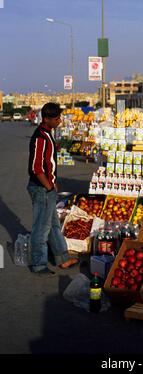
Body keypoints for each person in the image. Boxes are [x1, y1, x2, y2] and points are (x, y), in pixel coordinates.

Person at [27, 102, 79, 277]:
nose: (59, 121)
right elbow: (36, 168)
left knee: (54, 225)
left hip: (48, 187)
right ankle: (38, 263)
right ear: (47, 119)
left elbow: (47, 164)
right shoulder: (40, 137)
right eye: (56, 119)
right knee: (42, 228)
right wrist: (49, 186)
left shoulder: (48, 134)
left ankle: (62, 259)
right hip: (41, 189)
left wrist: (53, 182)